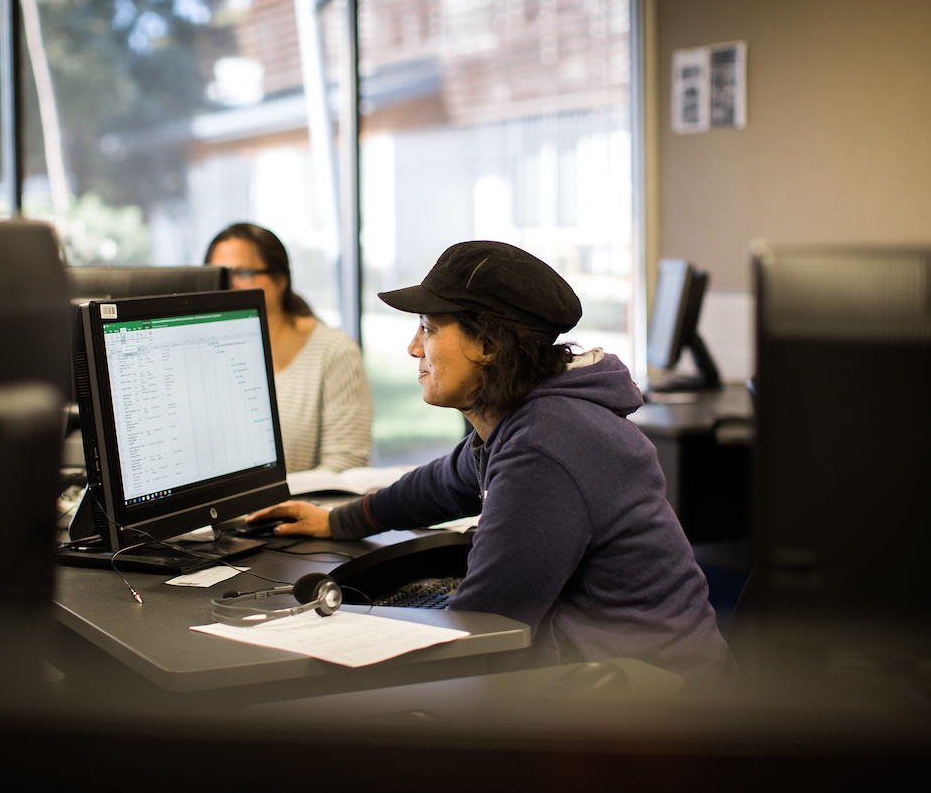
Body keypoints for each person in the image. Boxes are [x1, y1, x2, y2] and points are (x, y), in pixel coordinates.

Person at [248, 240, 735, 683]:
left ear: (488, 346)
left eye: (428, 329)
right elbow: (444, 482)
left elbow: (483, 626)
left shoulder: (545, 448)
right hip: (618, 676)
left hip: (655, 704)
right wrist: (337, 520)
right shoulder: (529, 417)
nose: (414, 348)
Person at [204, 223, 371, 473]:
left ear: (280, 280)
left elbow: (344, 466)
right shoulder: (198, 353)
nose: (229, 285)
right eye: (219, 274)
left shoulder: (334, 351)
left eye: (243, 273)